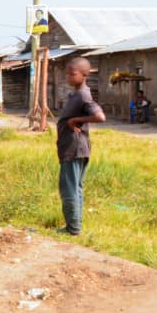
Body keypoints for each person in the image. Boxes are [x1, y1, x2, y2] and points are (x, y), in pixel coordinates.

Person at [56, 56, 105, 236]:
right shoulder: (76, 94)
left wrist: (75, 120)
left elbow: (100, 117)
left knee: (69, 188)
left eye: (72, 74)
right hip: (74, 148)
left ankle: (73, 228)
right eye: (67, 74)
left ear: (84, 75)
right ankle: (74, 226)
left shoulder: (83, 95)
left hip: (74, 148)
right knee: (75, 187)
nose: (68, 77)